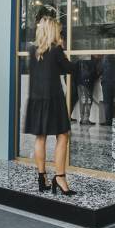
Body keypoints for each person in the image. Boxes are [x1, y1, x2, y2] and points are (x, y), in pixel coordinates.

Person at [25, 17, 77, 195]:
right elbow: (69, 68)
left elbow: (47, 70)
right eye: (58, 30)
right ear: (53, 31)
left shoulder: (33, 50)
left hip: (36, 99)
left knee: (40, 138)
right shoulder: (56, 50)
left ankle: (42, 178)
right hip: (53, 99)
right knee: (63, 135)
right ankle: (60, 177)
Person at [100, 55, 115, 126]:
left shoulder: (105, 60)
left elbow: (100, 70)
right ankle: (112, 120)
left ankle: (108, 121)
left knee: (107, 102)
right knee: (111, 102)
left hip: (107, 82)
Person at [77, 56, 98, 126]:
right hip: (87, 84)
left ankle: (83, 119)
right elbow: (93, 73)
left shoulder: (80, 60)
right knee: (87, 101)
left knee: (82, 101)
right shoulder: (91, 61)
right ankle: (85, 119)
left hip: (80, 83)